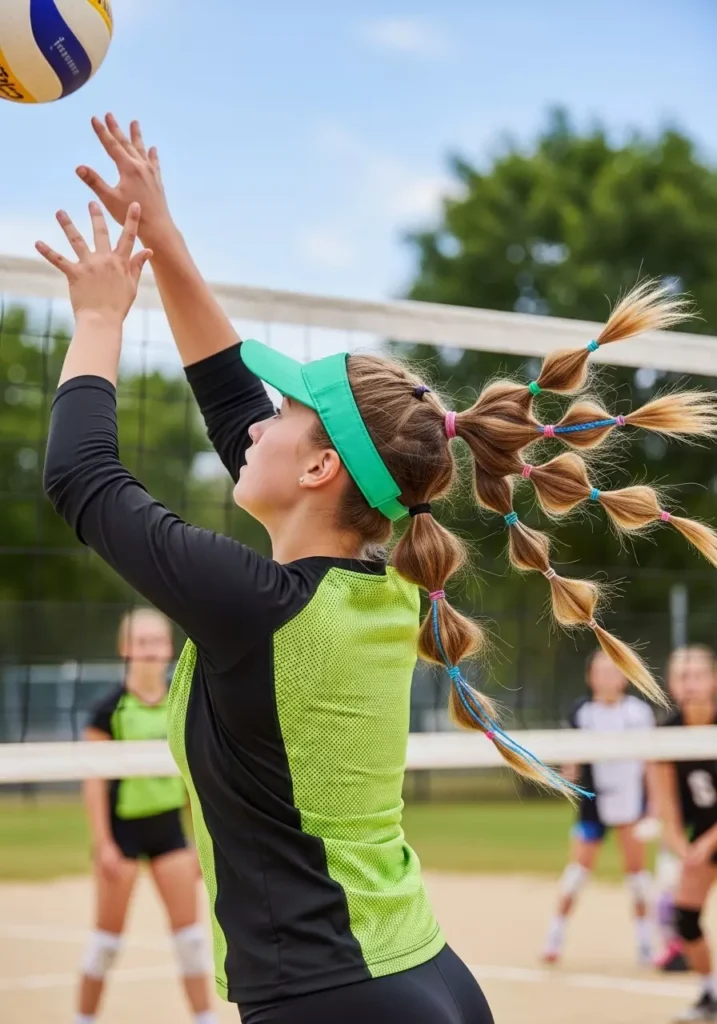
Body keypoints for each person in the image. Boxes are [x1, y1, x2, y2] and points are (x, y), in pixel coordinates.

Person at [38, 114, 717, 1023]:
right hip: (424, 977)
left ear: (320, 469)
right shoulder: (383, 587)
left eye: (282, 416)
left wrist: (94, 320)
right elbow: (230, 396)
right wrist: (162, 242)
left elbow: (80, 475)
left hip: (333, 998)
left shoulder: (261, 605)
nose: (255, 425)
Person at [78, 607, 215, 1024]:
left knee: (191, 941)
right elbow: (94, 783)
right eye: (142, 642)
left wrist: (197, 842)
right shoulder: (108, 711)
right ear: (125, 649)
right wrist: (103, 844)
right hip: (121, 837)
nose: (151, 651)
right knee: (105, 943)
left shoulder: (182, 702)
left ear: (169, 647)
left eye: (158, 641)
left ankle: (206, 1019)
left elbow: (195, 781)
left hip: (169, 834)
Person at [542, 650, 656, 966]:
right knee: (577, 872)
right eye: (601, 671)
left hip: (631, 803)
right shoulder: (582, 712)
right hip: (593, 803)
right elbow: (571, 761)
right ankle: (555, 935)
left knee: (637, 877)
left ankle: (646, 941)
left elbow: (650, 763)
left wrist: (653, 806)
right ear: (590, 677)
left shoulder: (638, 712)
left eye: (613, 671)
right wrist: (565, 774)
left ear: (624, 677)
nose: (607, 678)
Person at [656, 646, 717, 1022]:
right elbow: (666, 806)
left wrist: (708, 841)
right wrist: (681, 846)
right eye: (682, 676)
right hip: (703, 835)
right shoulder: (666, 734)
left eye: (697, 675)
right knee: (685, 918)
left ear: (713, 680)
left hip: (711, 835)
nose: (690, 684)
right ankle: (710, 993)